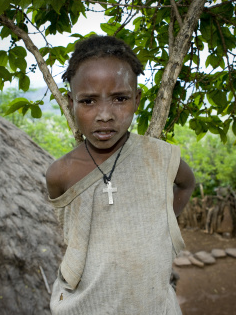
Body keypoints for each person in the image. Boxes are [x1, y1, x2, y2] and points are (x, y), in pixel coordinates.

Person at [46, 35, 195, 314]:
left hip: (152, 303)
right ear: (71, 103)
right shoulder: (61, 173)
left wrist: (162, 224)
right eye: (88, 101)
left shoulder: (160, 157)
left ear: (137, 99)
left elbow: (187, 184)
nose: (104, 115)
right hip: (86, 305)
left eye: (119, 98)